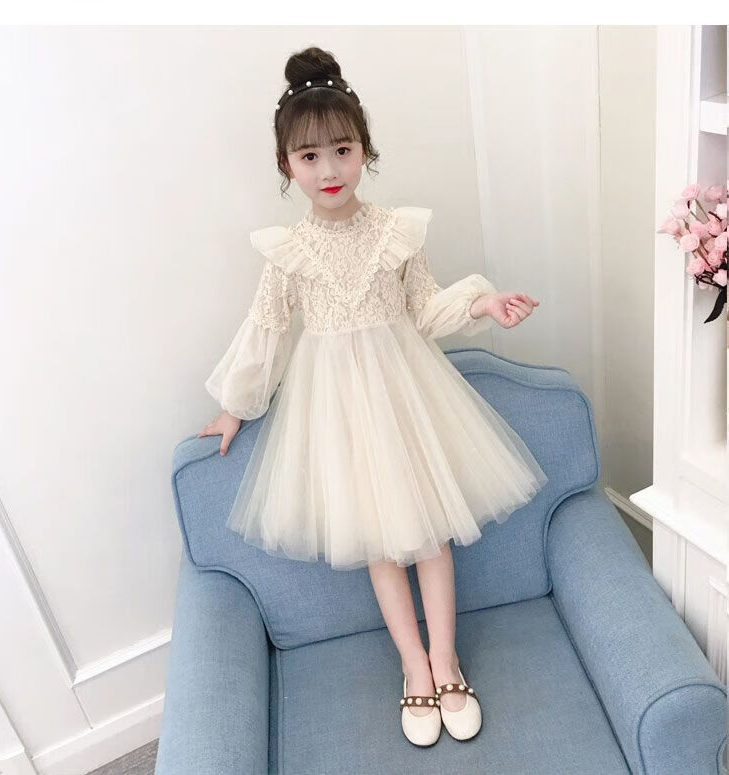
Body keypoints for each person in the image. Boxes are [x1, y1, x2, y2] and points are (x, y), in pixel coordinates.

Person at [198, 46, 548, 747]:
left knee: (430, 534)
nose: (328, 169)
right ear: (286, 165)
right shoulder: (288, 251)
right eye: (309, 156)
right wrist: (237, 404)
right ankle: (413, 664)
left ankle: (446, 660)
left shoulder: (396, 232)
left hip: (406, 395)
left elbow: (425, 309)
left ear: (365, 149)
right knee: (381, 544)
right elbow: (266, 330)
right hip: (338, 411)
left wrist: (482, 303)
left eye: (343, 149)